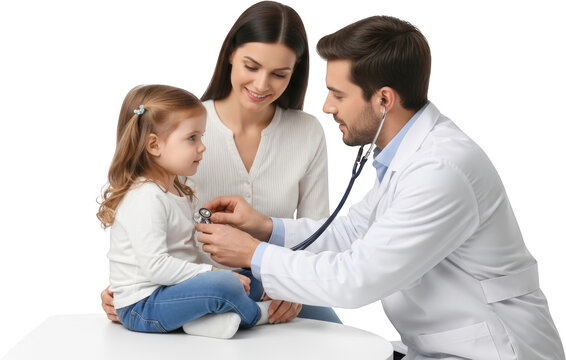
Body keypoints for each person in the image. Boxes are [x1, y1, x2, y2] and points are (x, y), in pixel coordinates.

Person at [196, 16, 565, 359]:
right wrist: (266, 228)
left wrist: (253, 254)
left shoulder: (440, 170)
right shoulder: (409, 155)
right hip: (446, 344)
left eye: (338, 95)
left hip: (494, 349)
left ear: (384, 100)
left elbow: (357, 279)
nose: (326, 107)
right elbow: (353, 231)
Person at [100, 1, 340, 325]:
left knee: (338, 339)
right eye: (251, 66)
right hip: (195, 288)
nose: (261, 85)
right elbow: (147, 227)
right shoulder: (182, 126)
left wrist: (297, 287)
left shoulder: (307, 132)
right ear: (230, 54)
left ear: (294, 73)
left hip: (279, 286)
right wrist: (128, 289)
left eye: (279, 74)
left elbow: (318, 231)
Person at [97, 84, 273, 339]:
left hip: (171, 291)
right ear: (154, 145)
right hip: (143, 305)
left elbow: (188, 256)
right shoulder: (145, 197)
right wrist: (214, 274)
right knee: (223, 284)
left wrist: (225, 272)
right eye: (193, 138)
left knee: (252, 275)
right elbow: (155, 267)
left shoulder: (176, 191)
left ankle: (201, 322)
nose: (202, 147)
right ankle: (258, 315)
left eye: (201, 137)